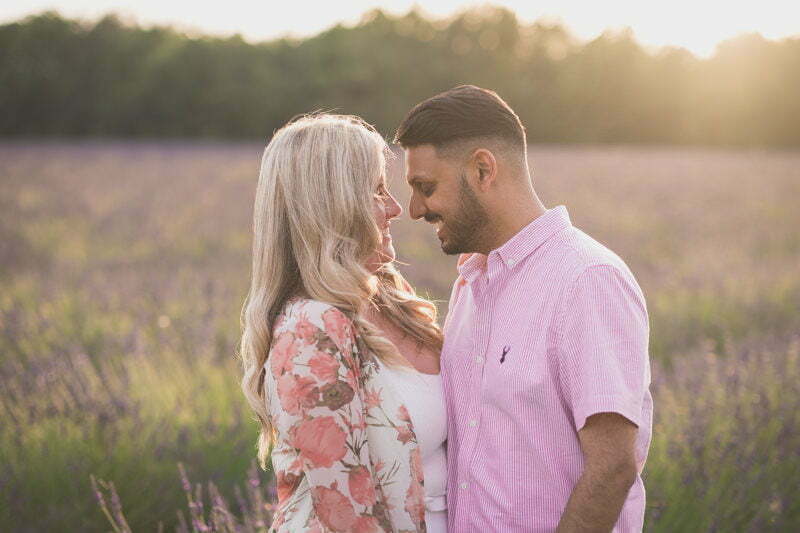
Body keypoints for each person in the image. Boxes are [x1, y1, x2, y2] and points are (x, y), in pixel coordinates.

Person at [394, 85, 653, 532]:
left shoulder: (586, 279)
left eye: (426, 188)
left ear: (482, 169)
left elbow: (612, 468)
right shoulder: (470, 284)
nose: (415, 210)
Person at [238, 113, 448, 532]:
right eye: (376, 190)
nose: (394, 209)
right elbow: (345, 514)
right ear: (330, 206)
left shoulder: (389, 295)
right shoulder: (312, 327)